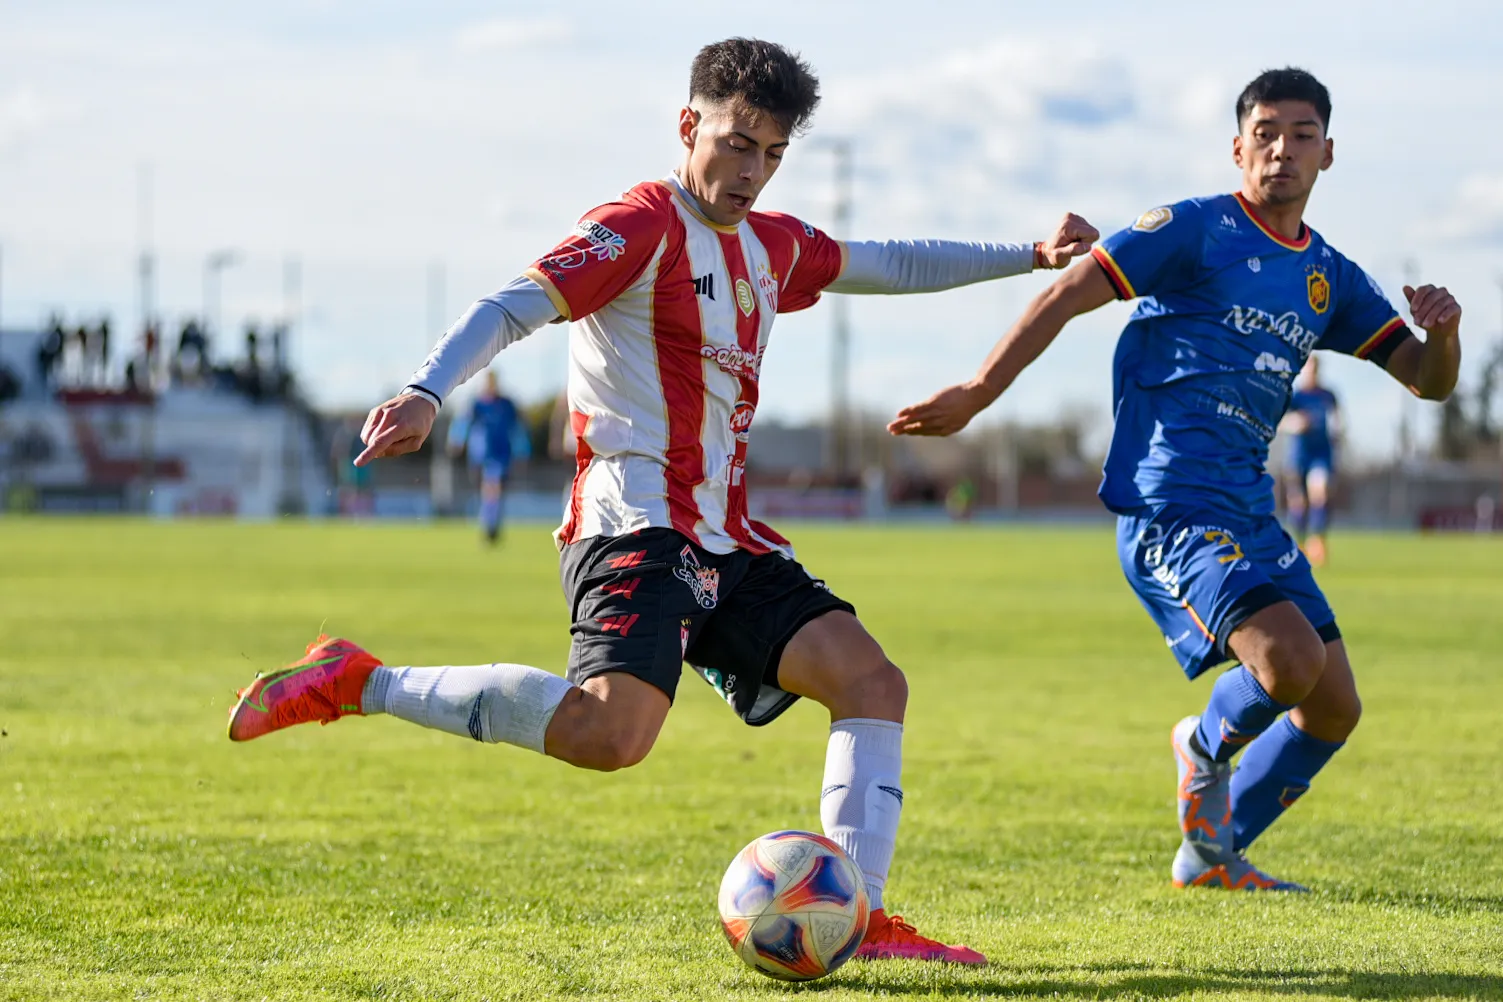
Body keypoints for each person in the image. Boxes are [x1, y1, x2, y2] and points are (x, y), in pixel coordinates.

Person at [227, 37, 1098, 964]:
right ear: (689, 127)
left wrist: (1029, 254)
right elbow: (510, 304)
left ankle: (859, 919)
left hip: (727, 535)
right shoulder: (638, 224)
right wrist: (427, 390)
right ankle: (359, 681)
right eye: (734, 143)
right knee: (610, 736)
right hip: (631, 526)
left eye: (770, 153)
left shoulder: (772, 244)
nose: (750, 171)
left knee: (872, 684)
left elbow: (886, 260)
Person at [888, 68, 1462, 891]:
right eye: (1264, 133)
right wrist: (978, 391)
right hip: (1169, 506)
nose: (1281, 150)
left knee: (1332, 708)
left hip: (1249, 514)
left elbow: (1425, 379)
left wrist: (1441, 334)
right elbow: (1067, 291)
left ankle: (1208, 854)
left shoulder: (1328, 276)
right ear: (1237, 147)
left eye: (1300, 135)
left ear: (1327, 153)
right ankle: (1201, 747)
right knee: (1287, 664)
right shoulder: (1191, 230)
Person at [448, 369, 526, 543]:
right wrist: (457, 440)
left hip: (501, 455)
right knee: (488, 491)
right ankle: (490, 525)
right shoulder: (476, 404)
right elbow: (462, 423)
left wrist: (522, 451)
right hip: (479, 455)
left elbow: (517, 429)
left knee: (494, 489)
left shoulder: (506, 405)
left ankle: (490, 526)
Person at [1280, 355, 1339, 565]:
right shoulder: (1295, 397)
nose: (1311, 373)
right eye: (1308, 369)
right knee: (1298, 502)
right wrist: (1295, 423)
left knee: (1319, 493)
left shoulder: (1328, 396)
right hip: (1298, 454)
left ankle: (1317, 542)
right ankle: (1299, 544)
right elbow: (1280, 421)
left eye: (1314, 369)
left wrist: (1337, 433)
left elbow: (1337, 419)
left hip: (1320, 453)